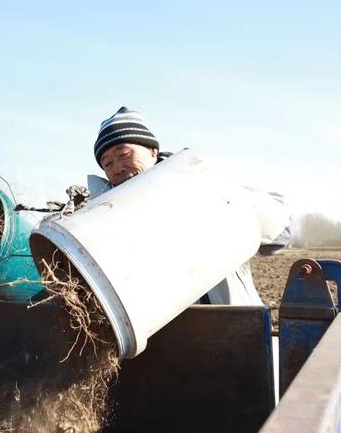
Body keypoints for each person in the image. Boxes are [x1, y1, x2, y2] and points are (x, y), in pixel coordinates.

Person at [92, 106, 290, 306]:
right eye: (107, 164)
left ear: (153, 151)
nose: (118, 168)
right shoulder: (104, 220)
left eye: (124, 154)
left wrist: (211, 193)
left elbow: (281, 234)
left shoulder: (200, 184)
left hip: (231, 328)